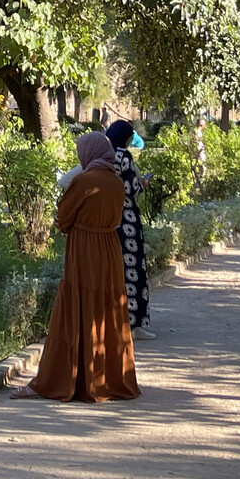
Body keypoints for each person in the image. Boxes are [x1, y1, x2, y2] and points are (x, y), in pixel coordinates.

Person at [11, 132, 140, 403]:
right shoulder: (117, 182)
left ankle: (61, 380)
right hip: (110, 248)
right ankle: (108, 380)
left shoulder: (84, 180)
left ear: (89, 153)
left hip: (85, 248)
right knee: (106, 308)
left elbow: (63, 217)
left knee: (76, 307)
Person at [105, 119, 153, 340]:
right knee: (133, 270)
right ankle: (134, 323)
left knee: (116, 270)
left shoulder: (104, 155)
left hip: (110, 218)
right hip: (128, 220)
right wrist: (143, 183)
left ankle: (117, 323)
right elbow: (131, 189)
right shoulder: (123, 156)